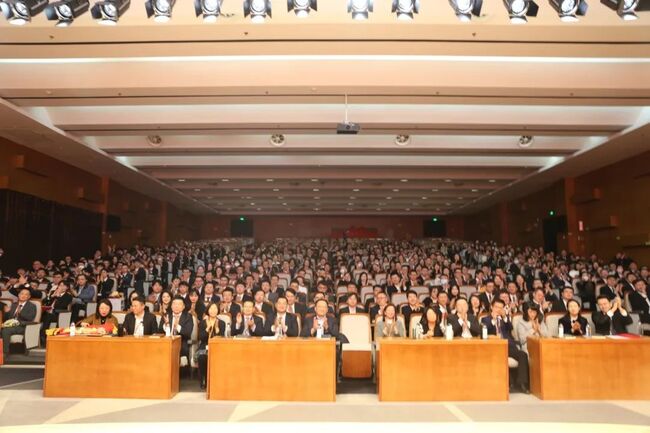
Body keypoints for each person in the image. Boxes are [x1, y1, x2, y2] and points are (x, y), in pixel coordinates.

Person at [481, 298, 530, 393]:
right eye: (496, 307)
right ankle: (509, 383)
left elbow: (510, 328)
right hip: (495, 347)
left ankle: (522, 384)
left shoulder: (504, 318)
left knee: (523, 355)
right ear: (491, 307)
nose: (498, 310)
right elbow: (485, 331)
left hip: (508, 345)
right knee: (501, 358)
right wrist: (493, 320)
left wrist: (504, 317)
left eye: (501, 308)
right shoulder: (485, 319)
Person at [2, 287, 37, 358]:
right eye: (22, 294)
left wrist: (20, 313)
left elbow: (30, 318)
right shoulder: (14, 304)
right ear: (18, 295)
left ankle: (5, 352)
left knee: (6, 330)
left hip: (23, 326)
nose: (23, 295)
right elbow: (7, 318)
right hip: (11, 325)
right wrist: (6, 312)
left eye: (26, 294)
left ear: (29, 297)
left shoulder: (32, 306)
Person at [197, 302, 224, 389]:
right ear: (208, 310)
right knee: (202, 357)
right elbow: (201, 338)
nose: (213, 310)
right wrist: (207, 329)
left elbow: (222, 338)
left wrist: (217, 330)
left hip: (217, 347)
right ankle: (203, 379)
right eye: (211, 308)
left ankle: (216, 380)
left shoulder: (222, 323)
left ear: (218, 310)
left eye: (215, 308)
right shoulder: (202, 323)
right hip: (204, 346)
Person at [40, 281, 74, 345]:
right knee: (41, 315)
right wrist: (51, 296)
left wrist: (58, 296)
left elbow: (61, 306)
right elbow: (44, 301)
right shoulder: (53, 292)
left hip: (58, 315)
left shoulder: (68, 296)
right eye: (60, 285)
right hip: (47, 313)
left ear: (67, 288)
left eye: (64, 286)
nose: (61, 287)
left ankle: (43, 336)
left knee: (48, 316)